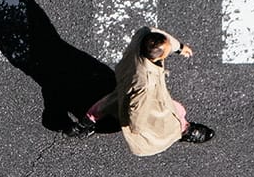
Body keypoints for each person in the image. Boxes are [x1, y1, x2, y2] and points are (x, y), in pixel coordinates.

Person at [82, 26, 213, 153]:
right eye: (168, 51)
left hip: (126, 77)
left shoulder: (143, 37)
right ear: (156, 58)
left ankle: (86, 123)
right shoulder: (145, 83)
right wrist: (138, 128)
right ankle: (183, 129)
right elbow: (137, 114)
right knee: (172, 113)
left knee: (112, 101)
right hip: (141, 93)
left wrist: (179, 47)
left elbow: (156, 33)